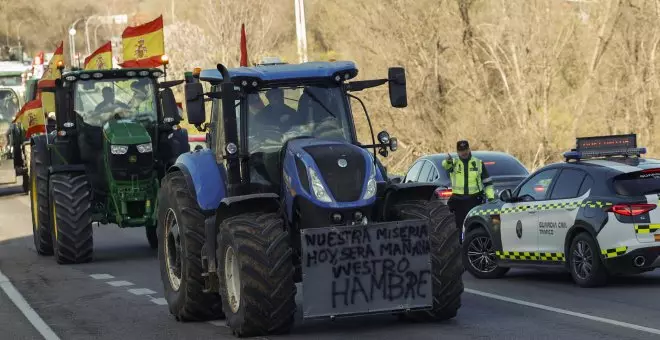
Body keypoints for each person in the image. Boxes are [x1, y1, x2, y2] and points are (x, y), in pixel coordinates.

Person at [442, 140, 495, 243]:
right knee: (457, 227)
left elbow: (487, 183)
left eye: (465, 149)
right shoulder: (454, 163)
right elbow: (445, 165)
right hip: (458, 200)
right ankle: (459, 248)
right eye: (461, 150)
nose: (464, 152)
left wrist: (491, 198)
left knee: (475, 226)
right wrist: (448, 161)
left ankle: (476, 246)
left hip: (474, 199)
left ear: (469, 149)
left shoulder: (478, 163)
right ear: (457, 152)